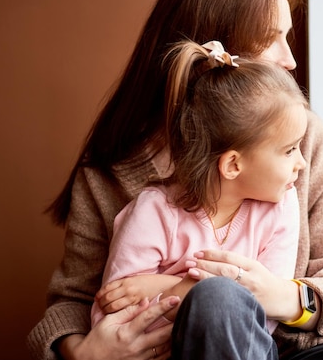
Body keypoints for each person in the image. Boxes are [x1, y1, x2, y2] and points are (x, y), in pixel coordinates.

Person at [27, 0, 323, 360]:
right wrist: (83, 353)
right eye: (272, 39)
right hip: (169, 351)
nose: (289, 60)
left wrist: (282, 297)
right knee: (217, 301)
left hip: (295, 348)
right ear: (219, 49)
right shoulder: (111, 173)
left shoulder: (304, 141)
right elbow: (70, 303)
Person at [90, 40, 307, 336]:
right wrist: (210, 291)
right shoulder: (154, 212)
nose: (302, 163)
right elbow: (116, 311)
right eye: (289, 150)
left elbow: (264, 313)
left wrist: (172, 286)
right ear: (232, 165)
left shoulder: (281, 206)